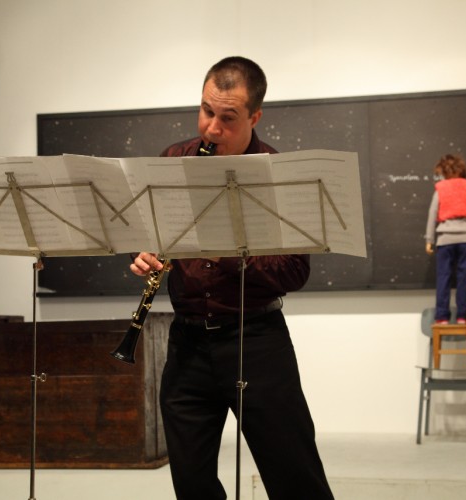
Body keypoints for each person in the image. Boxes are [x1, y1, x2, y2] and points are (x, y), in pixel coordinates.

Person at [131, 56, 334, 500]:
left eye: (228, 118)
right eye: (206, 111)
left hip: (256, 339)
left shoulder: (277, 174)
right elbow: (147, 233)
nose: (211, 128)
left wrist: (225, 254)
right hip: (187, 343)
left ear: (254, 117)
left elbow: (294, 270)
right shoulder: (172, 162)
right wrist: (143, 253)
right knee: (192, 484)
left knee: (295, 477)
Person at [425, 153, 466, 324]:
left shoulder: (441, 188)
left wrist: (429, 239)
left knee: (444, 278)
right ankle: (463, 316)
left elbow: (433, 213)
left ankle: (442, 317)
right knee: (465, 279)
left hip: (446, 239)